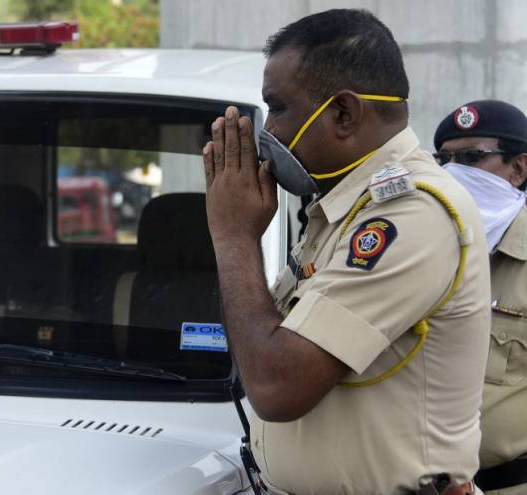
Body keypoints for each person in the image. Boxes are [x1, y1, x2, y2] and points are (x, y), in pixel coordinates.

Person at [202, 9, 490, 495]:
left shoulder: (412, 214)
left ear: (343, 114)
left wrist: (234, 235)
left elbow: (276, 387)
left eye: (278, 107)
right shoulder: (341, 207)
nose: (268, 130)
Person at [434, 100, 527, 495]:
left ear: (519, 169)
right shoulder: (423, 250)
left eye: (472, 157)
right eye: (445, 159)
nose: (454, 173)